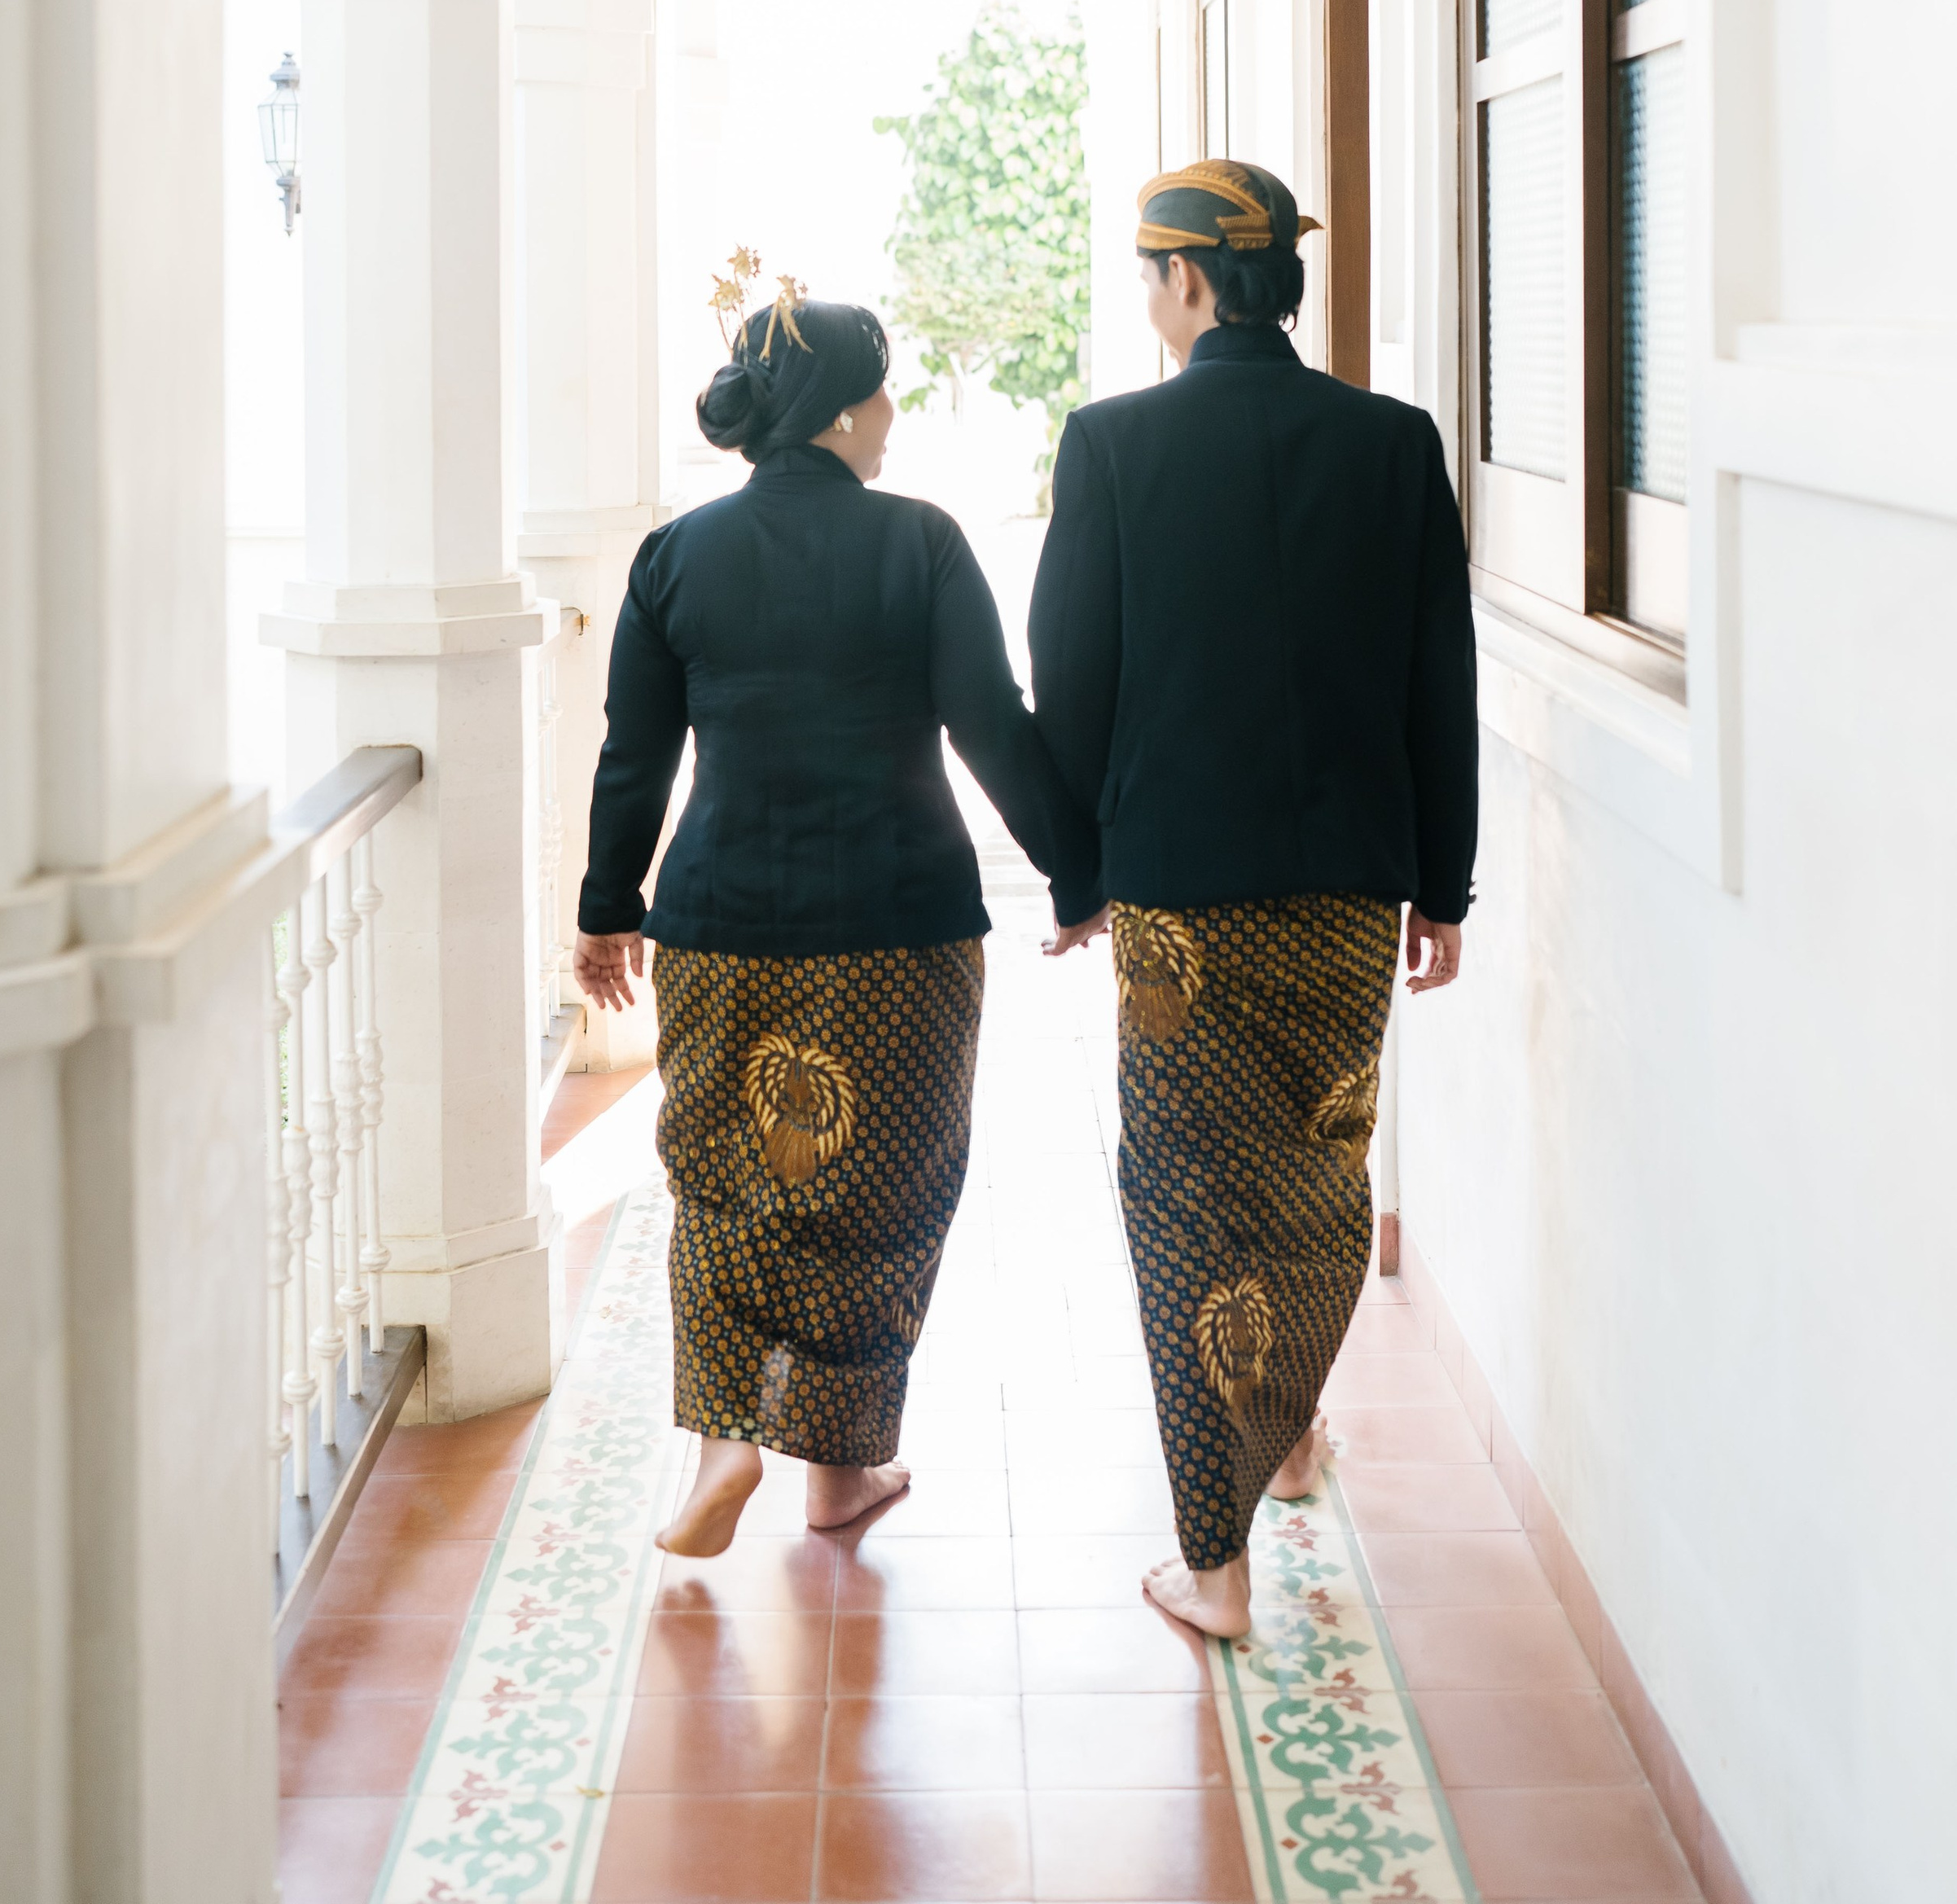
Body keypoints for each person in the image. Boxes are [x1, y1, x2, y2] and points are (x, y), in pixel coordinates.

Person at [575, 276, 1101, 1558]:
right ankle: (839, 1467)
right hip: (899, 925)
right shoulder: (921, 544)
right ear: (843, 411)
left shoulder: (676, 556)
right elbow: (992, 727)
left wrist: (607, 907)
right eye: (882, 395)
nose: (893, 416)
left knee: (719, 1179)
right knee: (886, 1189)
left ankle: (725, 1441)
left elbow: (634, 756)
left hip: (719, 923)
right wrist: (1079, 875)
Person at [1027, 160, 1477, 1640]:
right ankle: (1283, 1436)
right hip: (1349, 886)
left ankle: (1212, 1564)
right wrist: (1444, 882)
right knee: (1318, 1170)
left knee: (1184, 1197)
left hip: (1180, 900)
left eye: (1148, 275)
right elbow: (1438, 684)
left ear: (1187, 279)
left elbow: (1069, 683)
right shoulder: (1394, 444)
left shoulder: (1112, 444)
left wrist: (1079, 872)